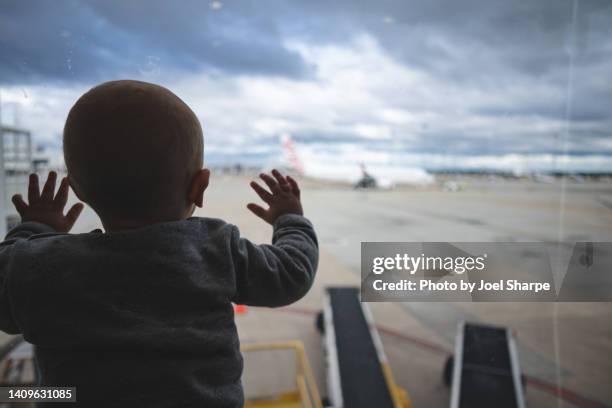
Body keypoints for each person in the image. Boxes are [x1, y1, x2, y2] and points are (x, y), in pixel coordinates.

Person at [0, 80, 318, 407]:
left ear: (77, 190)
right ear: (200, 187)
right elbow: (292, 273)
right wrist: (290, 218)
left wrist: (35, 229)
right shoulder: (213, 249)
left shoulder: (47, 265)